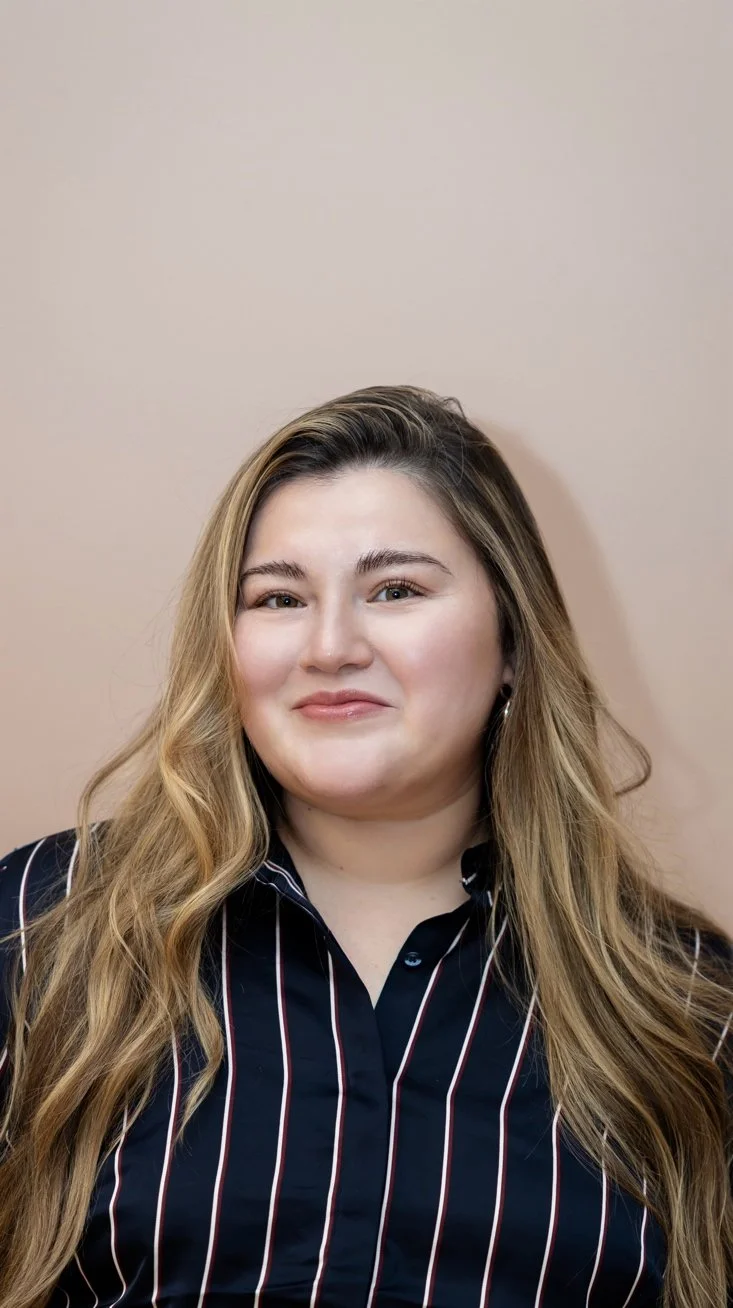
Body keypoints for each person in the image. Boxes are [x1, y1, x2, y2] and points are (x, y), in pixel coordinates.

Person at [0, 385, 731, 1308]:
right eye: (278, 598)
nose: (330, 646)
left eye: (395, 590)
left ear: (512, 640)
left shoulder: (689, 1005)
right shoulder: (39, 925)